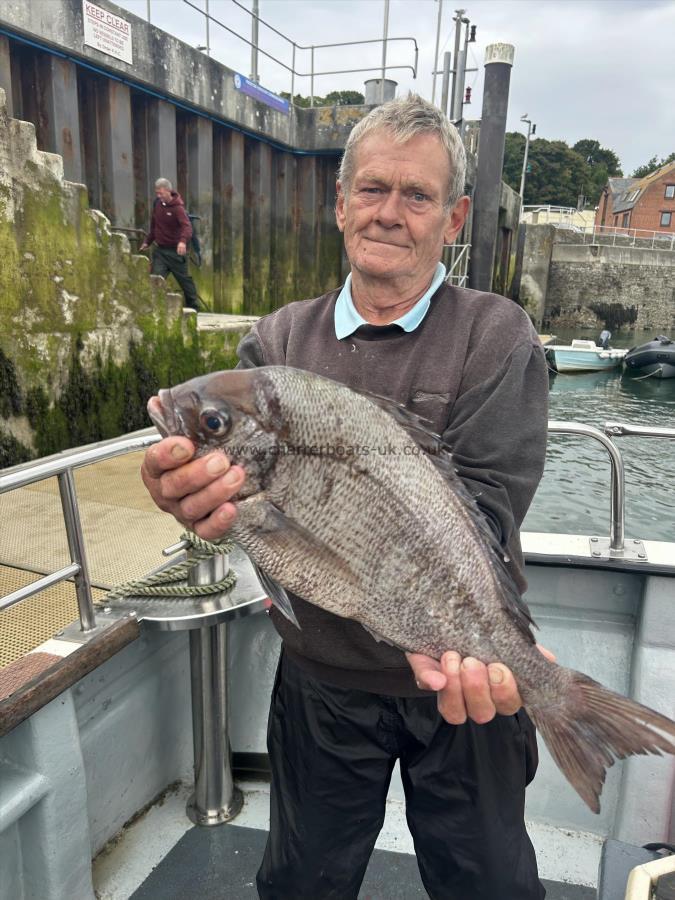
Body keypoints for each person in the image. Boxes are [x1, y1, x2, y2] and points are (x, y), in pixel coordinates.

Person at [141, 94, 550, 899]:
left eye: (416, 195)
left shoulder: (495, 333)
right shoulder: (275, 342)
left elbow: (488, 510)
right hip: (321, 680)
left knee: (489, 882)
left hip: (466, 677)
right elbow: (247, 521)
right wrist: (190, 502)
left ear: (454, 215)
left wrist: (497, 646)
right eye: (370, 189)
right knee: (301, 882)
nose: (388, 213)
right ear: (339, 203)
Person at [140, 178, 200, 311]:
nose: (159, 196)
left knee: (185, 281)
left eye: (161, 193)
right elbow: (154, 227)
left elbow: (187, 227)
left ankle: (194, 307)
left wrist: (182, 242)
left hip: (176, 253)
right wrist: (147, 242)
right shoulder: (157, 205)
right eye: (157, 193)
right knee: (155, 279)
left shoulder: (178, 208)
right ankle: (154, 308)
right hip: (161, 252)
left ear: (168, 191)